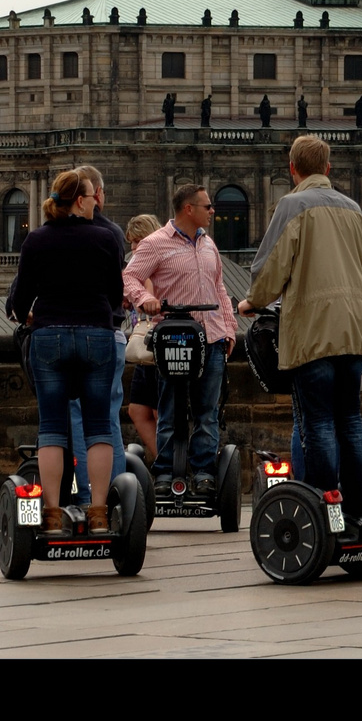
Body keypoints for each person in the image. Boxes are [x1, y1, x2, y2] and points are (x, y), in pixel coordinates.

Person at [239, 136, 362, 533]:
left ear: (292, 169)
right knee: (350, 420)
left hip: (314, 332)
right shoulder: (353, 209)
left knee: (316, 423)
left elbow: (270, 268)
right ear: (328, 169)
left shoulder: (292, 205)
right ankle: (358, 511)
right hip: (353, 329)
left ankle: (326, 508)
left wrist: (252, 300)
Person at [10, 169, 124, 536]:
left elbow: (18, 303)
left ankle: (53, 513)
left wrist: (31, 310)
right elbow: (114, 292)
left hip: (49, 336)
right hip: (96, 335)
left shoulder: (36, 240)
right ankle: (99, 512)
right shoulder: (105, 239)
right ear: (80, 200)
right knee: (98, 428)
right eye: (91, 197)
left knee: (53, 429)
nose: (95, 202)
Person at [124, 186, 235, 495]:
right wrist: (145, 298)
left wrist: (228, 328)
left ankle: (203, 472)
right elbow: (128, 277)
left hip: (210, 339)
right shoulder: (155, 243)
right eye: (207, 206)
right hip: (172, 338)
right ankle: (164, 472)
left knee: (207, 412)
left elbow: (219, 289)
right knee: (169, 409)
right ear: (189, 209)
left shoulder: (209, 245)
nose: (212, 210)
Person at [63, 165, 129, 503]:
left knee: (71, 418)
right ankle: (116, 499)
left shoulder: (49, 235)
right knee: (107, 418)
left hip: (67, 335)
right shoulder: (113, 234)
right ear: (96, 196)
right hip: (110, 333)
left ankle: (86, 497)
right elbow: (117, 289)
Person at [124, 213, 162, 462]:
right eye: (131, 243)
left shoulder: (155, 263)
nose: (135, 248)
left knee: (161, 411)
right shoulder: (136, 267)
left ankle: (174, 464)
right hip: (143, 346)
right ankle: (164, 458)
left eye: (138, 241)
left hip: (158, 345)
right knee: (138, 409)